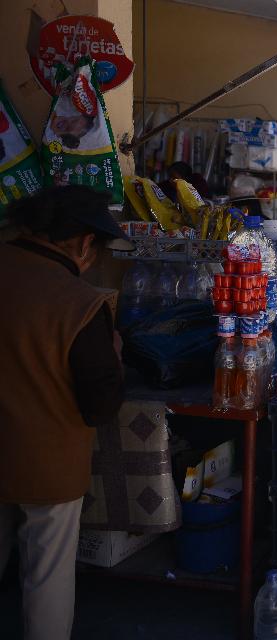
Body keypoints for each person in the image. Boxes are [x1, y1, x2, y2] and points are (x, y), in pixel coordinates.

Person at [0, 186, 132, 640]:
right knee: (46, 579)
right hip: (47, 467)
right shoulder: (79, 303)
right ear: (82, 243)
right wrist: (114, 353)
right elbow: (101, 405)